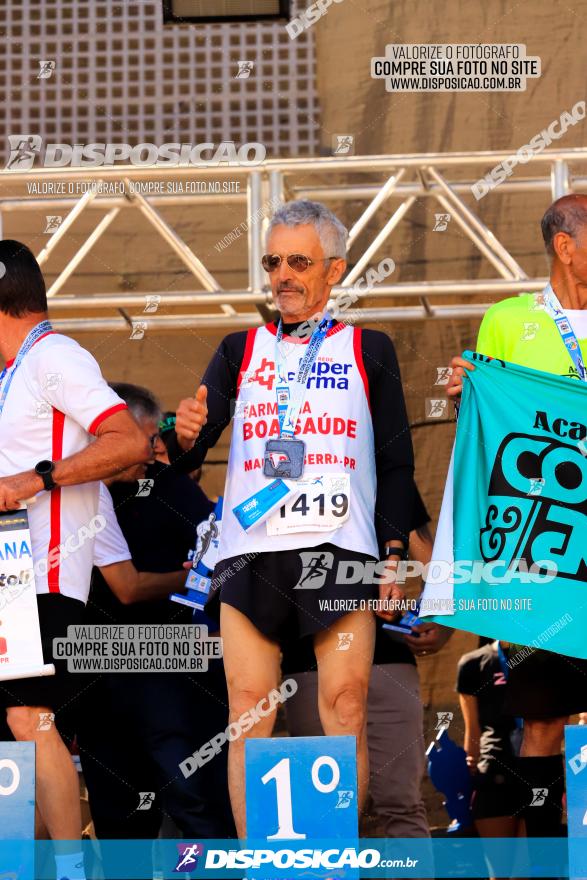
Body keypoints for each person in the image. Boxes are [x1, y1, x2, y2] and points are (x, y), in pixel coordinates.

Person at [168, 199, 415, 836]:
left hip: (342, 549)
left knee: (346, 705)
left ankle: (336, 860)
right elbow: (189, 445)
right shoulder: (237, 347)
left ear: (334, 270)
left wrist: (393, 556)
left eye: (298, 262)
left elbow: (395, 464)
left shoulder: (370, 348)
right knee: (248, 711)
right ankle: (260, 863)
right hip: (251, 551)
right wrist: (183, 432)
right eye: (273, 262)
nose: (283, 275)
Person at [0, 240, 149, 879]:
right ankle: (30, 865)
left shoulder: (54, 355)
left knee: (29, 717)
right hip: (11, 581)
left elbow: (130, 441)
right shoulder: (11, 373)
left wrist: (35, 480)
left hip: (47, 573)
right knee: (18, 735)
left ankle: (70, 867)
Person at [447, 193, 587, 837]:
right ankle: (549, 857)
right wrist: (464, 393)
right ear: (566, 245)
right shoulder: (507, 320)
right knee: (543, 719)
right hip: (544, 557)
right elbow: (488, 428)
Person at [76, 383, 235, 845]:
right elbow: (128, 588)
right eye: (145, 440)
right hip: (98, 672)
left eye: (155, 442)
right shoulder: (72, 493)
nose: (151, 452)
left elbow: (221, 560)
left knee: (195, 802)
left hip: (176, 671)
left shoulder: (170, 488)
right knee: (118, 813)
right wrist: (187, 578)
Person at [283, 487, 451, 838]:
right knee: (323, 812)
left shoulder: (385, 468)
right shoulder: (271, 462)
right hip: (309, 662)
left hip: (387, 660)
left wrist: (441, 620)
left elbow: (432, 560)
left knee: (401, 803)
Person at [457, 640, 522, 838]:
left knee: (533, 864)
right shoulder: (472, 663)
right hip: (494, 770)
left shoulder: (546, 657)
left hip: (537, 770)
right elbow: (472, 728)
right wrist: (467, 783)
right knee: (501, 867)